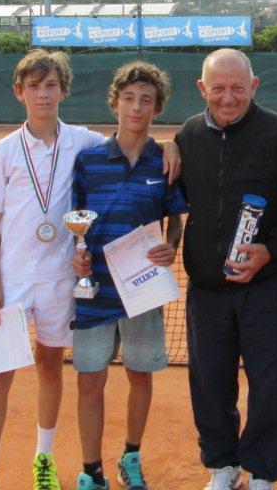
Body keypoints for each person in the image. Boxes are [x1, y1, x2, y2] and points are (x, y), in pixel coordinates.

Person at [0, 49, 180, 490]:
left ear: (64, 91)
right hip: (13, 282)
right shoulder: (5, 150)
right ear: (19, 92)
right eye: (34, 87)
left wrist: (171, 144)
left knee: (50, 368)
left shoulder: (81, 142)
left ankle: (43, 461)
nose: (43, 95)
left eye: (51, 86)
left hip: (62, 281)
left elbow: (131, 135)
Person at [174, 48, 277, 490]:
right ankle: (223, 466)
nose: (228, 97)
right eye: (218, 88)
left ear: (253, 86)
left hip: (266, 287)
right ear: (202, 89)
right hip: (206, 289)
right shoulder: (188, 136)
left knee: (270, 382)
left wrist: (270, 251)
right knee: (210, 383)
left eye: (238, 87)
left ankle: (261, 470)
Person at [69, 61, 188, 490]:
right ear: (115, 103)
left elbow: (175, 217)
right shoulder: (88, 160)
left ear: (157, 109)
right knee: (90, 381)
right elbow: (76, 223)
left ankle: (131, 457)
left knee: (140, 375)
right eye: (129, 99)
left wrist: (171, 246)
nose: (137, 107)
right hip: (95, 291)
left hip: (143, 289)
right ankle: (91, 470)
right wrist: (78, 258)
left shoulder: (164, 161)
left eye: (146, 101)